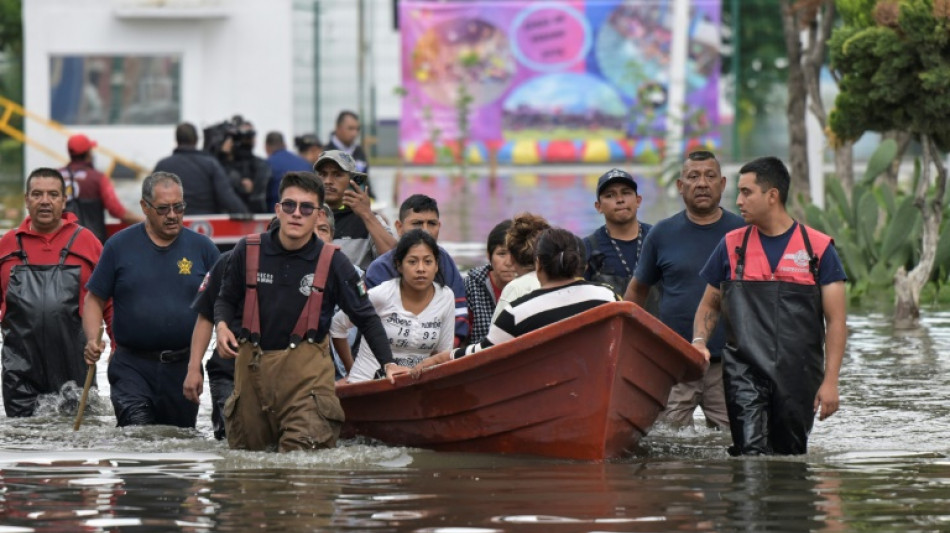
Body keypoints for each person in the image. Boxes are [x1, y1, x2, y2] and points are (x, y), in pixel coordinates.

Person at [213, 171, 405, 452]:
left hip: (307, 384)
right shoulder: (247, 250)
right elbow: (225, 299)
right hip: (252, 377)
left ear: (319, 216)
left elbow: (366, 317)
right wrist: (221, 326)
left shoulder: (335, 263)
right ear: (278, 210)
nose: (296, 214)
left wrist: (388, 363)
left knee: (303, 471)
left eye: (306, 208)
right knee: (250, 473)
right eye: (289, 205)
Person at [692, 156, 847, 456]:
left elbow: (836, 321)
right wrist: (699, 341)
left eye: (746, 192)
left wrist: (831, 382)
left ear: (772, 195)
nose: (738, 201)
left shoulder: (818, 249)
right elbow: (709, 304)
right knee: (749, 453)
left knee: (789, 456)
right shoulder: (730, 245)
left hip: (798, 375)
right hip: (744, 372)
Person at [83, 171, 220, 428]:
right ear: (145, 207)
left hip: (183, 368)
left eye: (178, 207)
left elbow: (222, 306)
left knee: (179, 447)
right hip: (131, 367)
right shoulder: (118, 246)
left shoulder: (204, 249)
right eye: (163, 208)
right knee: (137, 435)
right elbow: (94, 299)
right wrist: (93, 339)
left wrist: (196, 366)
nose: (172, 215)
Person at [625, 150, 744, 429]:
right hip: (674, 363)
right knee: (668, 444)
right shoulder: (662, 234)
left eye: (710, 176)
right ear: (680, 186)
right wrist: (631, 345)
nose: (702, 183)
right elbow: (637, 291)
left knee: (733, 442)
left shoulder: (742, 233)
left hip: (727, 364)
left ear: (723, 184)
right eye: (693, 176)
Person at [409, 228, 618, 373]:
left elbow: (480, 354)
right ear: (578, 264)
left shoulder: (517, 312)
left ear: (538, 265)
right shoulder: (608, 296)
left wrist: (436, 360)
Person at [0, 168, 108, 417]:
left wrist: (119, 348)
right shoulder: (6, 245)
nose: (45, 200)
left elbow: (110, 302)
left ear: (63, 200)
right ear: (26, 199)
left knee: (78, 447)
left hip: (75, 364)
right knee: (23, 441)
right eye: (37, 194)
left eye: (52, 194)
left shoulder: (87, 242)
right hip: (20, 370)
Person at [333, 230, 455, 382]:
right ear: (399, 265)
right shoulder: (382, 294)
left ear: (437, 265)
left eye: (428, 261)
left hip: (415, 387)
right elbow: (337, 325)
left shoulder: (446, 297)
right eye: (412, 261)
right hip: (367, 383)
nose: (421, 269)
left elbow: (443, 353)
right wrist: (350, 370)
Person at [364, 194, 468, 346]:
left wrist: (441, 357)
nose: (425, 230)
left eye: (431, 223)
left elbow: (459, 316)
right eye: (417, 223)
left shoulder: (446, 262)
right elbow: (367, 324)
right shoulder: (380, 269)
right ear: (399, 227)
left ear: (439, 226)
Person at [316, 150, 395, 271]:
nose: (328, 181)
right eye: (322, 174)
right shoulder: (305, 214)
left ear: (353, 181)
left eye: (337, 174)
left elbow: (394, 260)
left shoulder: (367, 219)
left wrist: (367, 215)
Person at [59, 133, 142, 242]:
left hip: (62, 243)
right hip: (92, 243)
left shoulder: (56, 176)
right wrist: (145, 221)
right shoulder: (98, 178)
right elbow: (117, 211)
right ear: (88, 153)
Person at [153, 122, 248, 215]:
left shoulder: (162, 166)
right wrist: (245, 214)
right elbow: (226, 196)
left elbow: (152, 199)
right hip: (207, 225)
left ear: (176, 140)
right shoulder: (211, 164)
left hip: (172, 223)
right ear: (197, 139)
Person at [584, 168, 653, 296]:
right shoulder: (587, 248)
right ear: (598, 207)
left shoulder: (659, 238)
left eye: (626, 193)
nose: (620, 199)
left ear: (638, 200)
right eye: (610, 195)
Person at [490, 213, 551, 322]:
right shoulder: (560, 280)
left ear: (513, 258)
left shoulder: (515, 288)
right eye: (502, 253)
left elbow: (495, 336)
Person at [464, 219, 516, 344]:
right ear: (489, 256)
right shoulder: (471, 286)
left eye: (515, 254)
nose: (509, 263)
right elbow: (461, 334)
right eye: (501, 254)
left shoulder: (530, 285)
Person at [217, 117, 272, 213]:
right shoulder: (222, 164)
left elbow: (259, 196)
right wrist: (223, 155)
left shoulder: (260, 165)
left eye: (249, 135)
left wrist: (253, 189)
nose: (245, 140)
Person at [324, 110, 375, 198]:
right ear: (338, 128)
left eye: (357, 129)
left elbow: (365, 182)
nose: (354, 133)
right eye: (350, 128)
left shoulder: (359, 151)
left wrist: (372, 200)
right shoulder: (325, 153)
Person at [265, 131, 312, 208]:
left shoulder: (267, 164)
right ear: (284, 145)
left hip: (275, 214)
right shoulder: (305, 163)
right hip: (305, 211)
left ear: (266, 147)